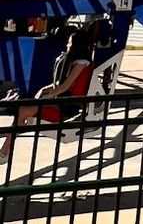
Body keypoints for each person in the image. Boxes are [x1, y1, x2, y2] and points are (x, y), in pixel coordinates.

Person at [0, 28, 93, 161]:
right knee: (22, 111)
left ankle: (4, 152)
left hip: (66, 107)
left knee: (22, 111)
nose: (67, 45)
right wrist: (45, 90)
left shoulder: (81, 63)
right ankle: (7, 147)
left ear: (78, 45)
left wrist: (47, 97)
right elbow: (62, 83)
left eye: (70, 43)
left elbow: (66, 86)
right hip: (61, 102)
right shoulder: (75, 62)